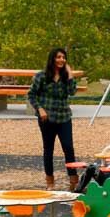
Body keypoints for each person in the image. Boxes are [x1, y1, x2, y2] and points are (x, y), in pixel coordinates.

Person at [28, 47, 78, 189]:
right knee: (48, 149)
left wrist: (70, 75)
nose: (61, 60)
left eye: (63, 57)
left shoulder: (65, 77)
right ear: (52, 59)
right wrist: (40, 108)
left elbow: (72, 91)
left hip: (64, 117)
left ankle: (74, 180)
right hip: (47, 119)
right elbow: (31, 95)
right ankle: (50, 181)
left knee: (68, 147)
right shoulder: (41, 76)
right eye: (58, 57)